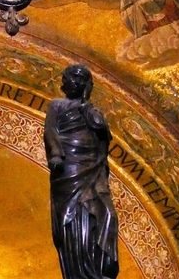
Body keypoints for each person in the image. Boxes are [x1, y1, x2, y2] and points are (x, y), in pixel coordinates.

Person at [44, 64, 119, 279]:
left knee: (107, 215)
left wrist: (90, 111)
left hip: (94, 168)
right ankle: (80, 271)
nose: (76, 82)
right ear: (64, 82)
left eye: (81, 80)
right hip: (70, 170)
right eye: (73, 78)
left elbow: (103, 136)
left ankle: (101, 267)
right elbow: (50, 131)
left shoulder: (91, 110)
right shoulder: (57, 105)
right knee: (75, 218)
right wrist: (56, 154)